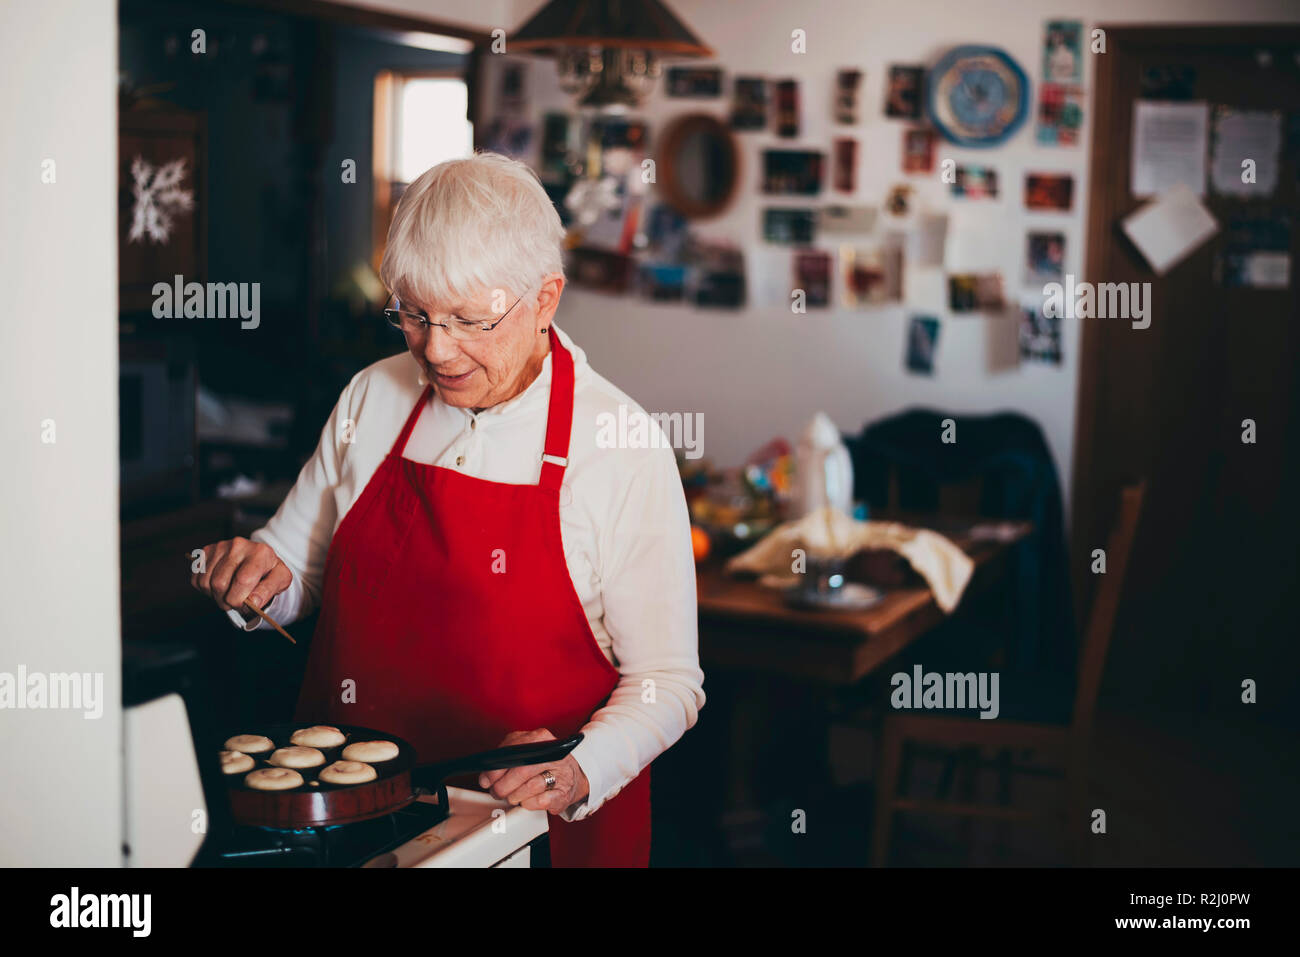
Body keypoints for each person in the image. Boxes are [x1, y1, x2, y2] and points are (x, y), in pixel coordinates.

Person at [191, 151, 704, 867]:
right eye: (414, 312)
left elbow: (669, 681)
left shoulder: (617, 446)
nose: (437, 348)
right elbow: (297, 573)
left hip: (534, 836)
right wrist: (253, 579)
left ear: (545, 299)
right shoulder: (372, 397)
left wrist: (585, 762)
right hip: (355, 831)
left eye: (469, 319)